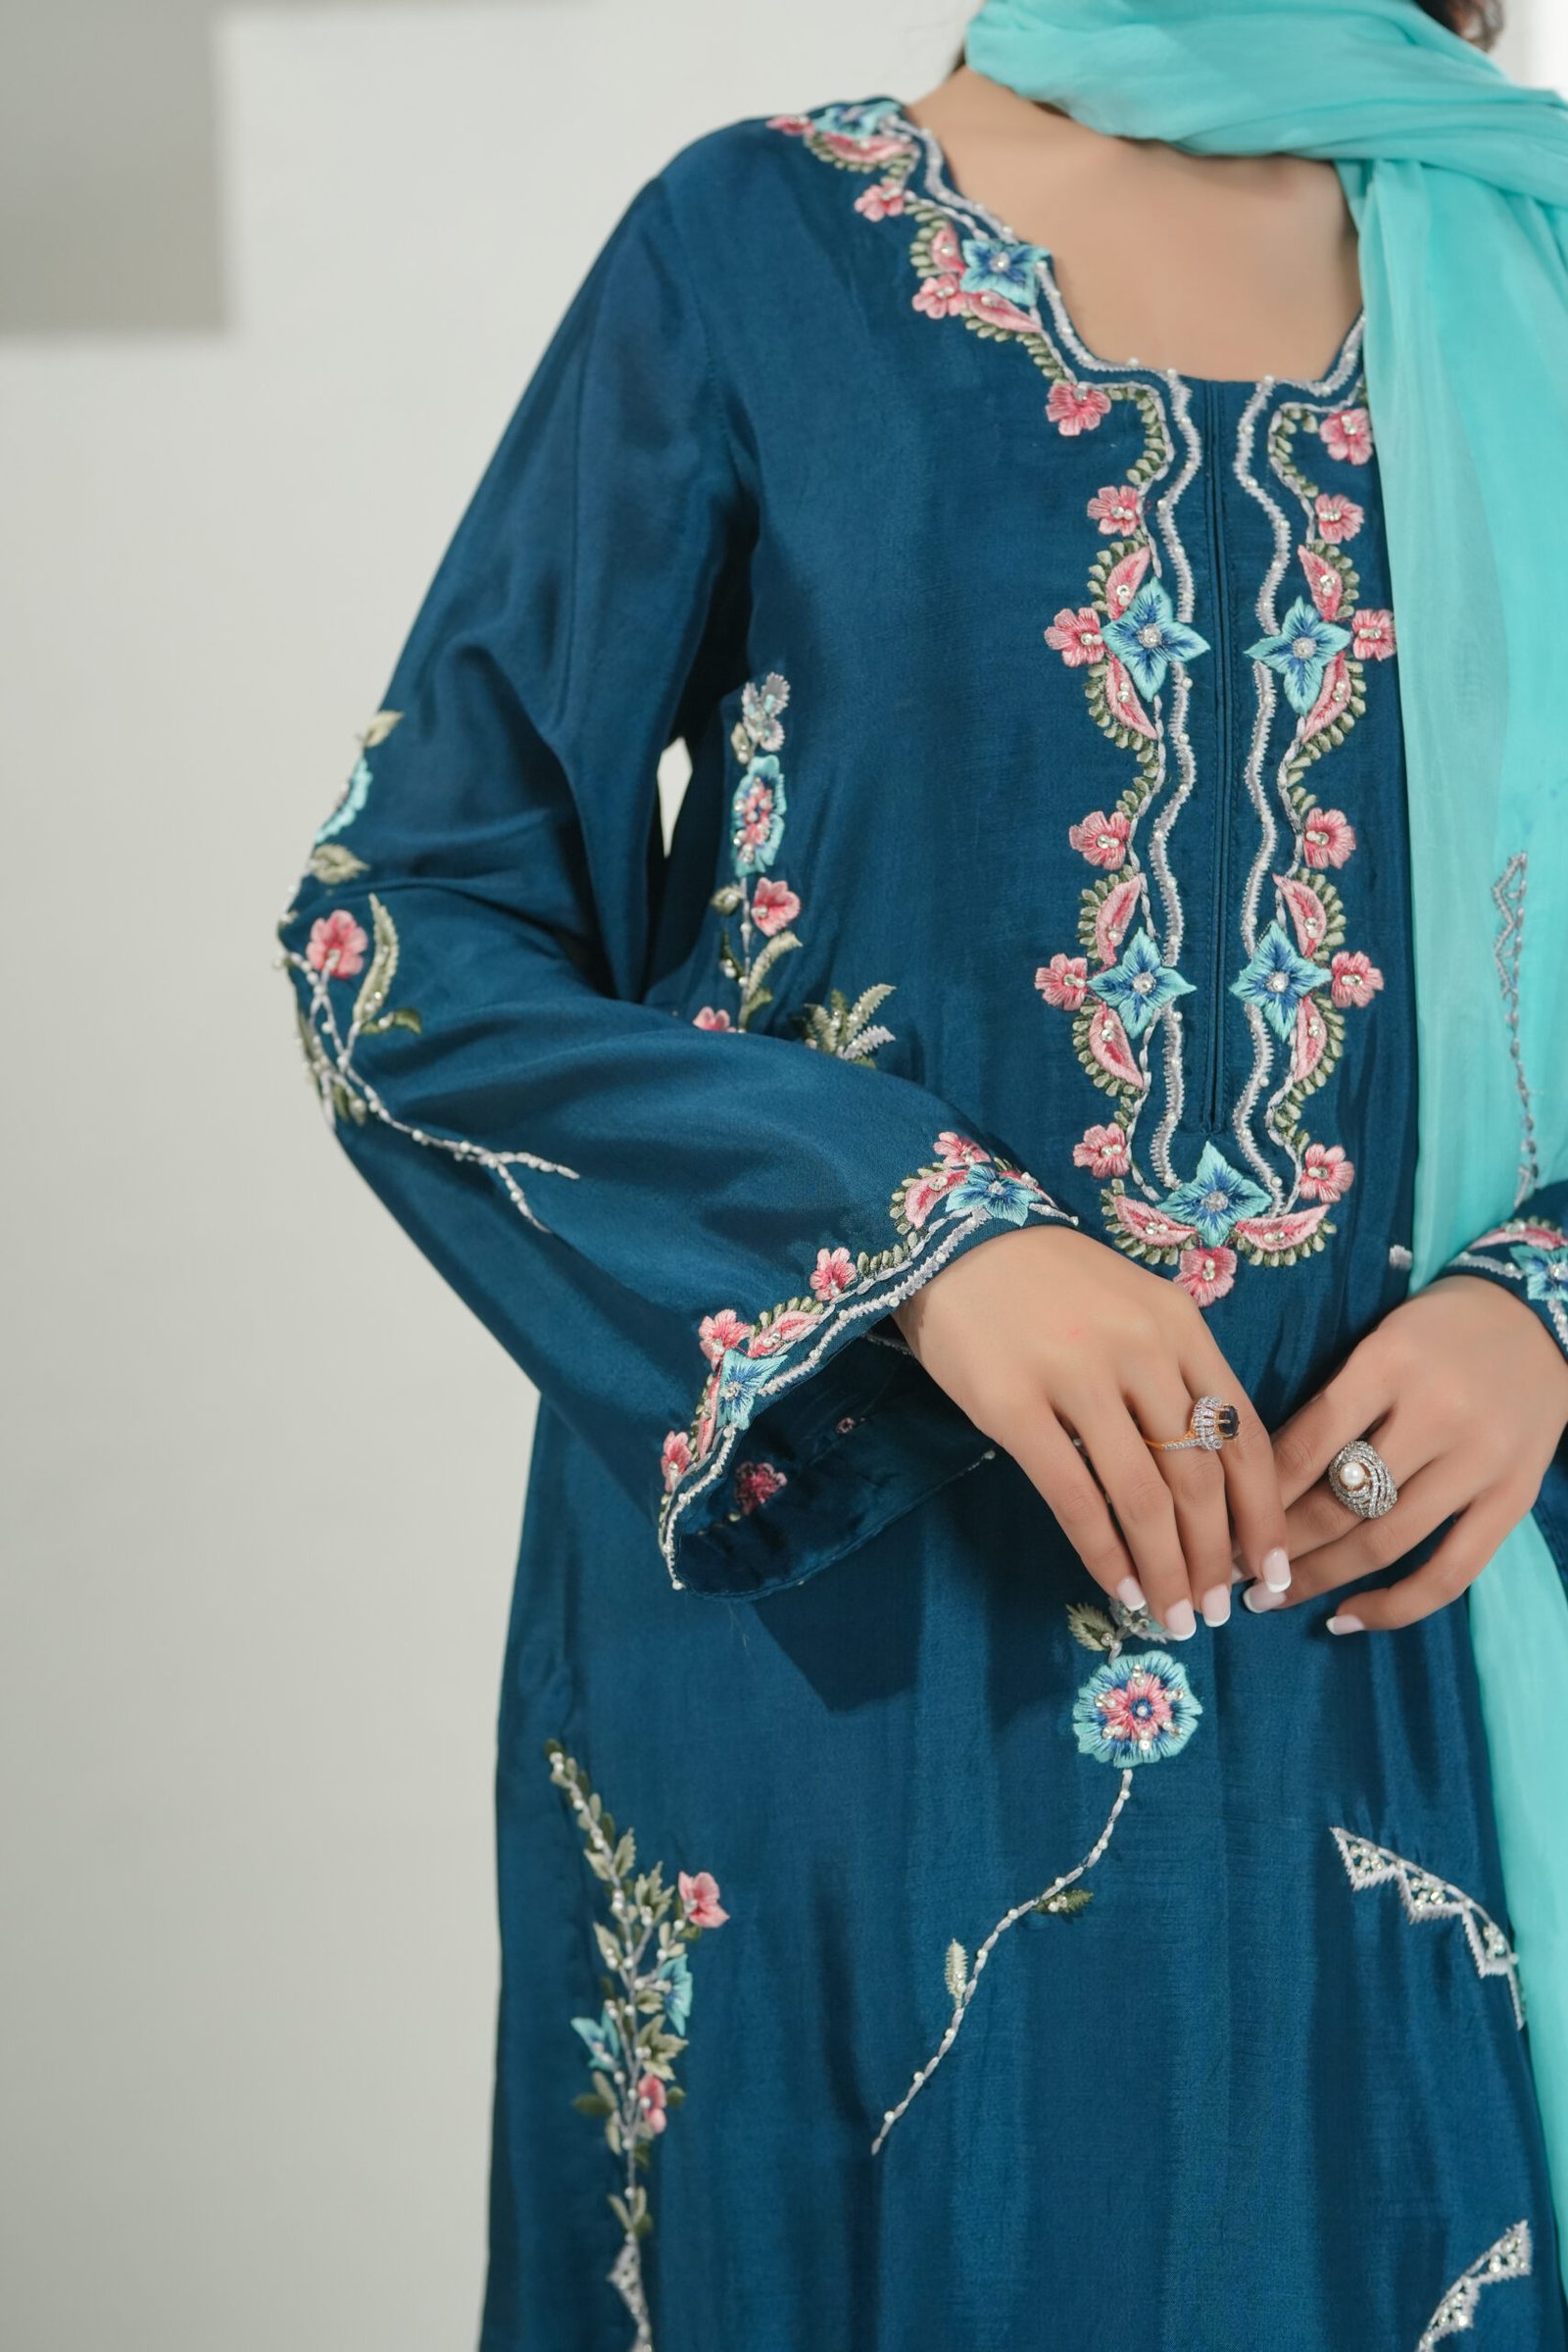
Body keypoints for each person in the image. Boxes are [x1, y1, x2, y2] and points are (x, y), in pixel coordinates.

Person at [276, 0, 1568, 2341]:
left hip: (1408, 1641)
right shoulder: (757, 248)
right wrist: (916, 1239)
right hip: (856, 1673)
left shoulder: (1532, 268)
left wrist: (1541, 1302)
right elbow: (407, 935)